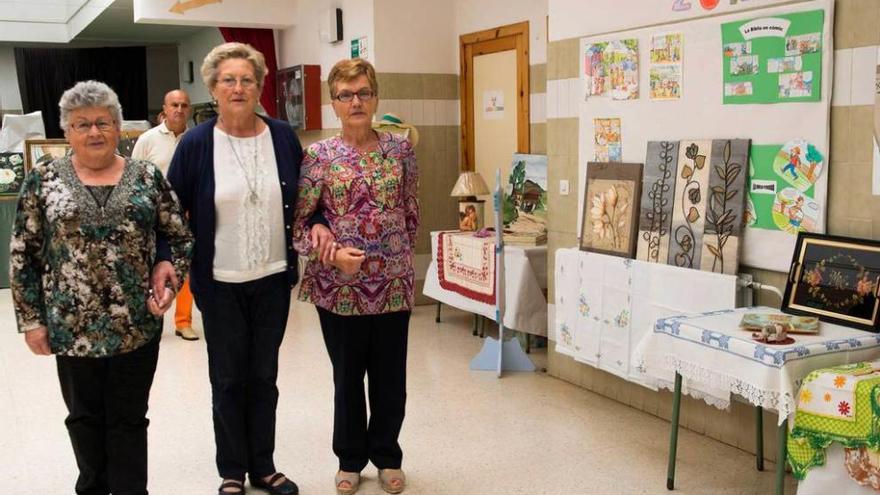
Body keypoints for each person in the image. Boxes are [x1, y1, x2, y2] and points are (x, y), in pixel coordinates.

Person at [165, 42, 334, 495]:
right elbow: (169, 212)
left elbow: (308, 201)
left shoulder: (281, 136)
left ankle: (263, 465)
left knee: (264, 376)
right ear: (213, 88)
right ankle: (231, 471)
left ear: (260, 87)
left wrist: (318, 225)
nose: (238, 88)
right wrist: (168, 264)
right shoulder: (197, 144)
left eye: (247, 80)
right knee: (227, 377)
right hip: (219, 283)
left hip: (274, 279)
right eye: (228, 80)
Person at [9, 80, 192, 495]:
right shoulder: (42, 180)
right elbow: (23, 253)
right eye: (82, 124)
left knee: (130, 418)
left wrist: (170, 267)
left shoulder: (146, 176)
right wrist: (32, 320)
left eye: (103, 123)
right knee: (84, 419)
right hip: (72, 331)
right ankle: (92, 487)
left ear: (118, 127)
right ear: (67, 131)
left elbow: (179, 236)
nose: (94, 132)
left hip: (137, 325)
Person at [293, 58, 419, 495]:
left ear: (376, 97)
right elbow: (300, 224)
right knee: (347, 378)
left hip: (393, 286)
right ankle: (349, 459)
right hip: (339, 288)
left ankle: (387, 455)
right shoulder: (319, 156)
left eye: (364, 92)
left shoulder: (400, 151)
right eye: (346, 95)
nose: (356, 101)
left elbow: (410, 212)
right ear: (334, 104)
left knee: (390, 377)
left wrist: (399, 259)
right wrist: (325, 248)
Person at [132, 89, 199, 341]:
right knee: (152, 262)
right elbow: (134, 175)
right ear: (165, 108)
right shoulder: (148, 139)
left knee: (186, 266)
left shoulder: (196, 139)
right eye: (174, 105)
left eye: (184, 105)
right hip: (154, 212)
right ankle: (150, 316)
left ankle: (183, 321)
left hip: (187, 211)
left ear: (189, 109)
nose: (179, 109)